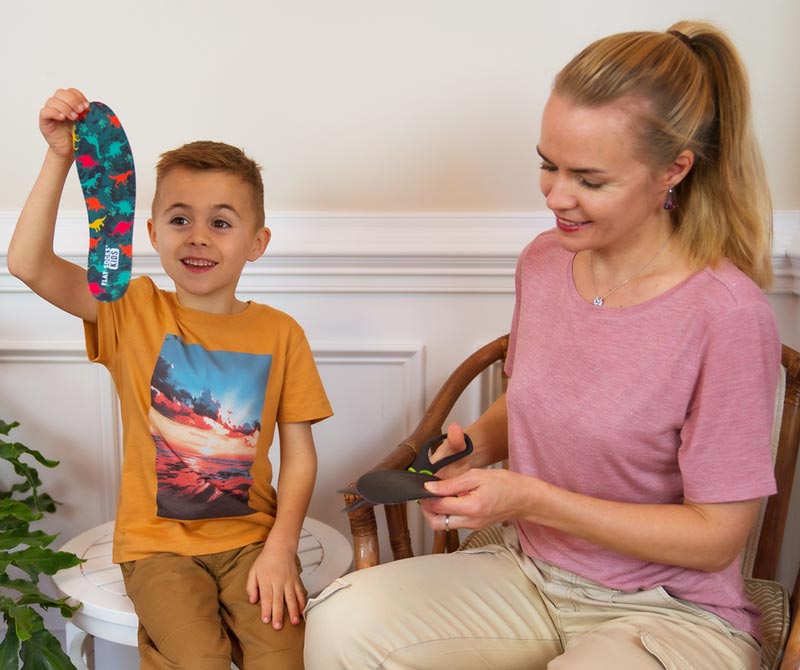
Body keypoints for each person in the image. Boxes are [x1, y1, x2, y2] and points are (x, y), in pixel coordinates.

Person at [303, 20, 779, 670]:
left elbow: (716, 539)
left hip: (673, 610)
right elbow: (534, 399)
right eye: (547, 164)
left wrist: (531, 498)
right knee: (342, 621)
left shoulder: (727, 314)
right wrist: (474, 449)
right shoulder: (544, 264)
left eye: (589, 178)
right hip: (533, 577)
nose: (556, 196)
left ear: (674, 168)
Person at [8, 88, 332, 670]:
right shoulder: (130, 310)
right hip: (156, 549)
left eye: (222, 222)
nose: (199, 236)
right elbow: (28, 264)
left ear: (257, 243)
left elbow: (300, 456)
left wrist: (281, 548)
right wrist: (61, 155)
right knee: (197, 659)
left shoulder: (281, 333)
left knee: (283, 659)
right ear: (152, 233)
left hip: (252, 542)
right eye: (180, 219)